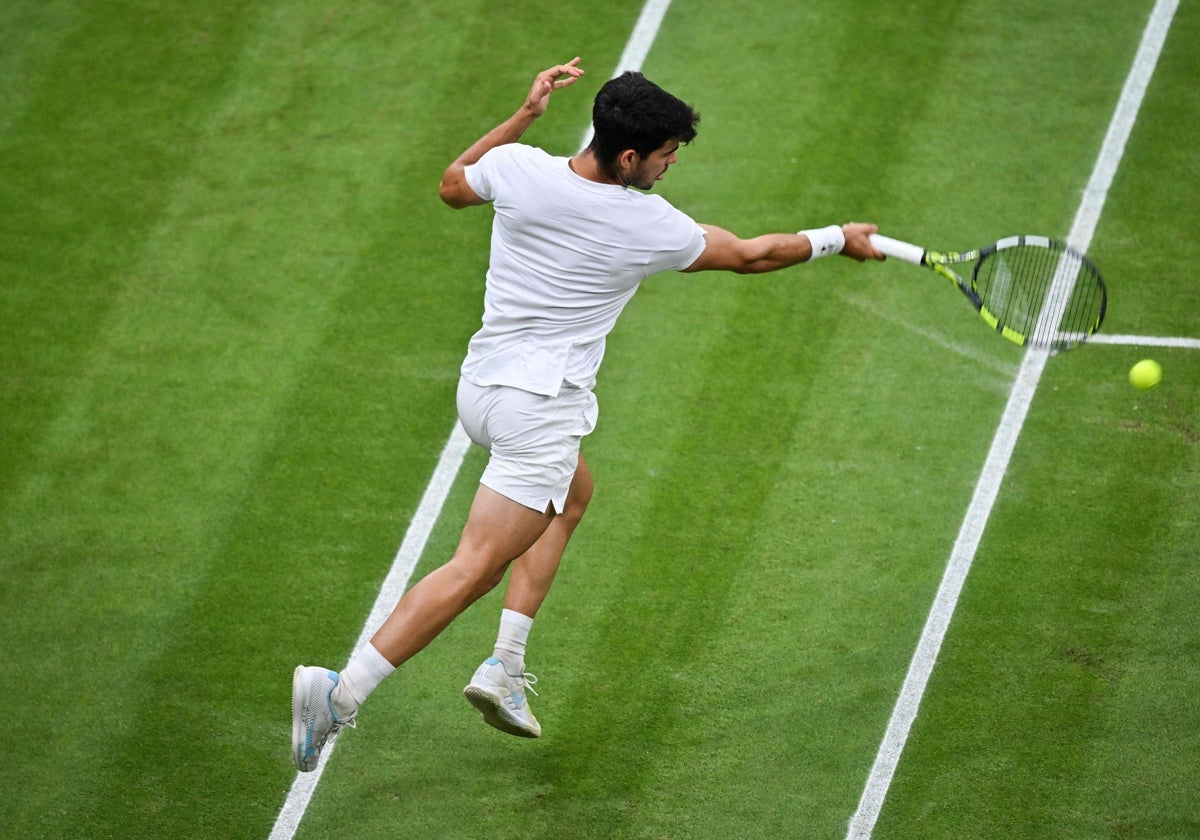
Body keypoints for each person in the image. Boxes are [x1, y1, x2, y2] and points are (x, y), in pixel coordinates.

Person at [291, 57, 883, 771]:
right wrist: (835, 238)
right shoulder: (649, 225)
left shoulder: (517, 167)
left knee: (573, 496)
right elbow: (752, 256)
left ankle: (504, 665)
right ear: (629, 155)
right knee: (475, 567)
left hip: (482, 391)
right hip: (539, 413)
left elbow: (452, 185)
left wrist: (525, 115)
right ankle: (342, 692)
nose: (669, 168)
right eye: (665, 156)